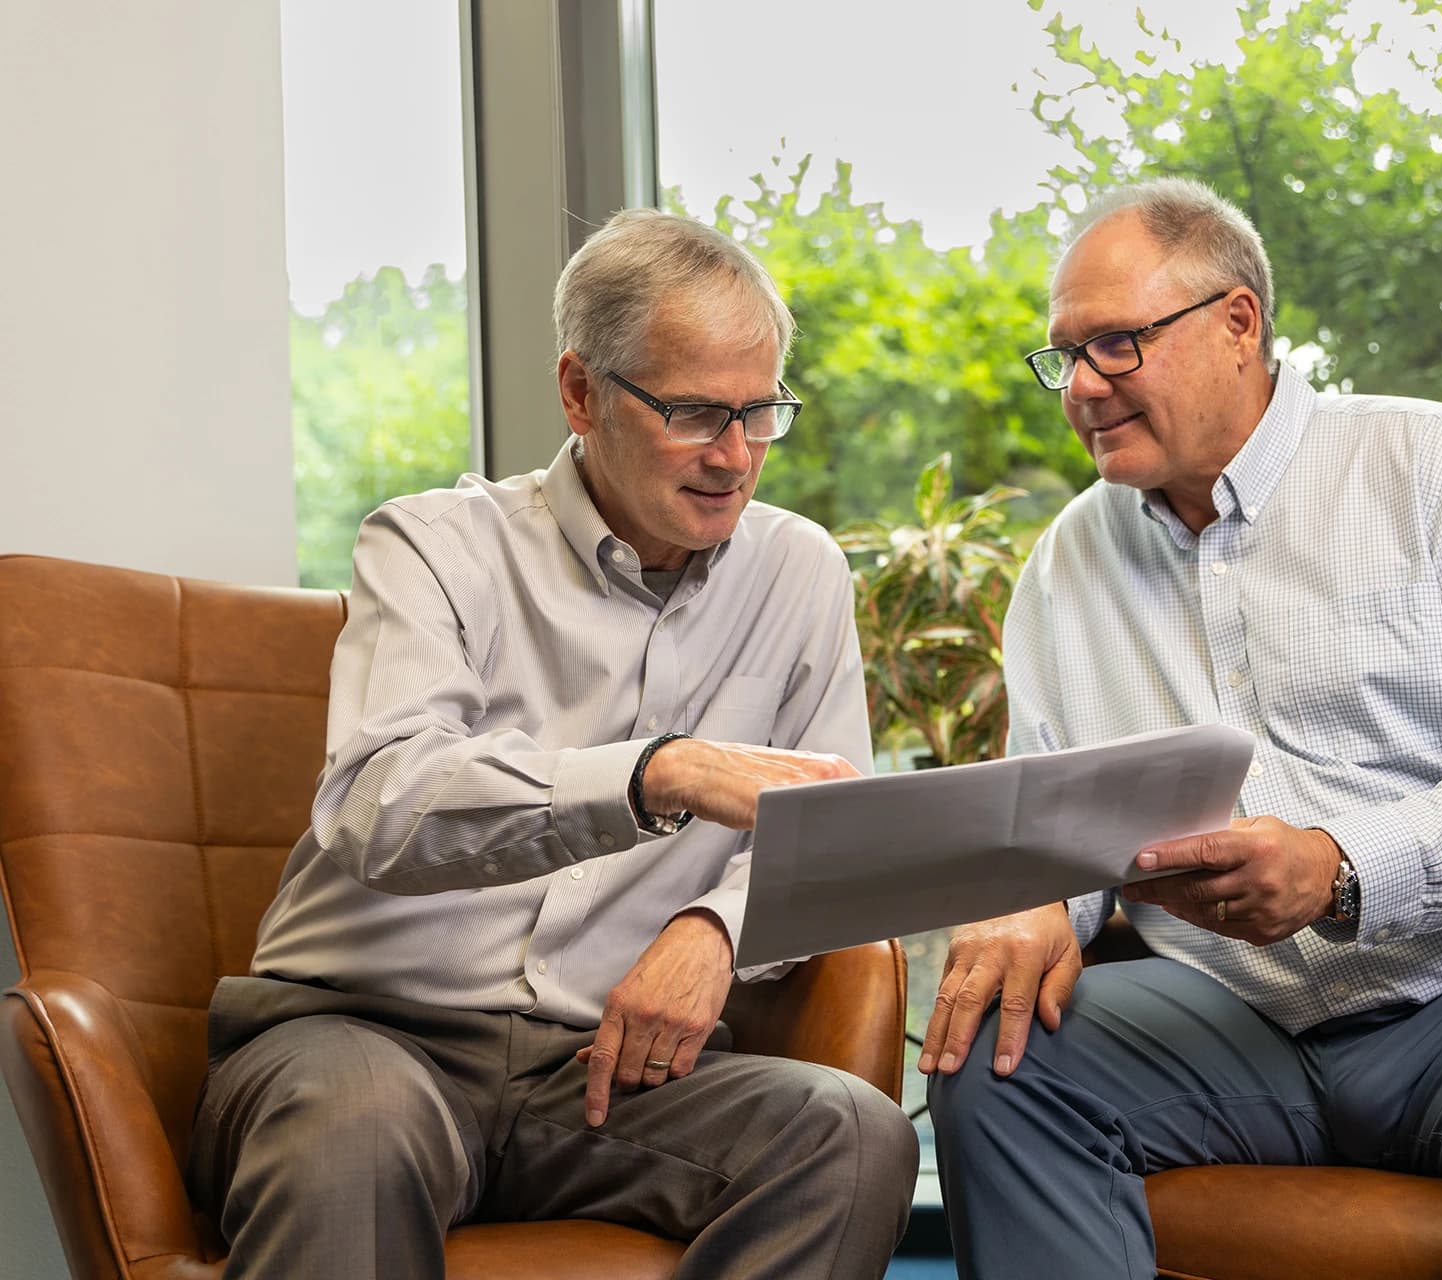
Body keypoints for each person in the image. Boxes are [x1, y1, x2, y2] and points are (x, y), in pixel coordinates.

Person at [921, 178, 1442, 1280]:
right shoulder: (1068, 561)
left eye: (1115, 345)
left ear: (1237, 322)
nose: (1081, 387)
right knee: (999, 1059)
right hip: (1228, 1016)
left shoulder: (1430, 463)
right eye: (1063, 355)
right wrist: (1032, 903)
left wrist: (1341, 867)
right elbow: (1056, 827)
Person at [187, 209, 918, 1279]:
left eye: (761, 411)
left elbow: (830, 833)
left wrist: (715, 929)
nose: (735, 456)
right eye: (694, 413)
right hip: (363, 1035)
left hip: (609, 1077)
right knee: (355, 1133)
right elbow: (381, 803)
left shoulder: (798, 571)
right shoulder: (432, 545)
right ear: (581, 392)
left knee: (849, 1136)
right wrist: (655, 773)